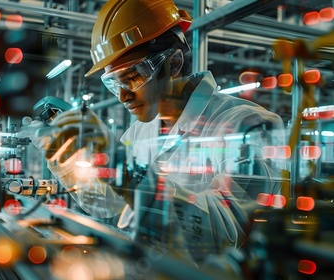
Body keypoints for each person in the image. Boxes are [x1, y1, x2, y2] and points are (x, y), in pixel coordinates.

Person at [36, 0, 286, 264]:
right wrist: (66, 159)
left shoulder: (248, 126)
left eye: (132, 76)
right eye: (113, 84)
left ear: (174, 63)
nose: (122, 96)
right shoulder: (138, 132)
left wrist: (124, 167)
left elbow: (224, 231)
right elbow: (108, 204)